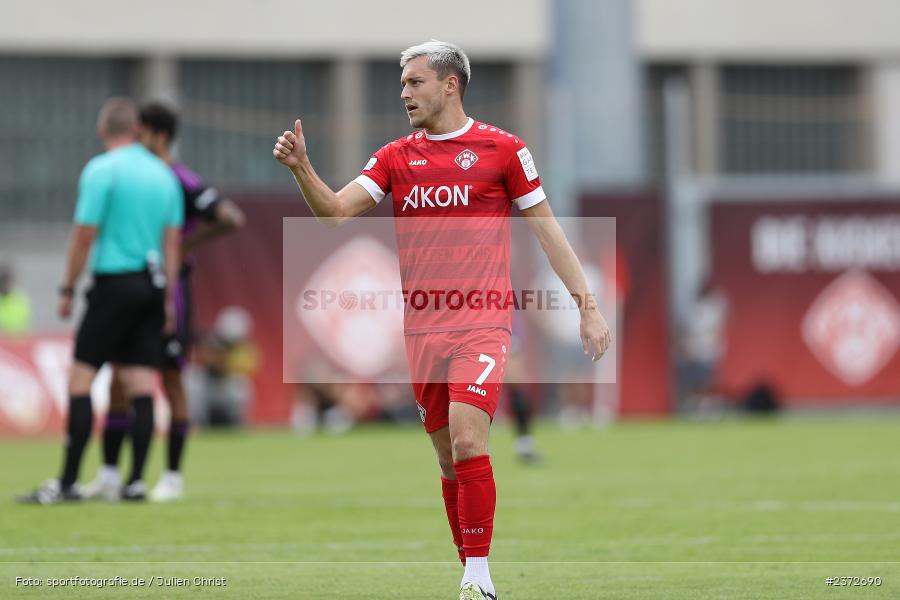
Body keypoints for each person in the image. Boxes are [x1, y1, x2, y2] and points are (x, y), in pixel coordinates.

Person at [273, 40, 611, 600]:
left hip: (484, 322)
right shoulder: (394, 157)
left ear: (450, 84)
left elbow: (549, 232)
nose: (404, 93)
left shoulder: (504, 150)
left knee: (468, 440)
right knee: (449, 459)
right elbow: (333, 212)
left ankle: (479, 576)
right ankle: (469, 572)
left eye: (415, 82)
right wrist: (301, 168)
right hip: (423, 329)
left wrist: (588, 307)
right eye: (402, 84)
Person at [17, 97, 183, 504]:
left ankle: (69, 481)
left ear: (101, 131)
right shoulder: (164, 175)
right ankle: (135, 482)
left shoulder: (102, 170)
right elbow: (172, 242)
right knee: (141, 383)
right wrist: (167, 299)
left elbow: (85, 234)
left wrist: (68, 287)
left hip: (114, 283)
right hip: (152, 285)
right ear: (138, 130)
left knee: (81, 379)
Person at [82, 101, 246, 502]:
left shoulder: (179, 178)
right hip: (135, 286)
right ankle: (110, 474)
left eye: (141, 132)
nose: (135, 139)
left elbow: (230, 217)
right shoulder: (138, 174)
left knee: (172, 378)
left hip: (171, 292)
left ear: (157, 135)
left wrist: (186, 245)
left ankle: (172, 476)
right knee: (120, 378)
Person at [0, 263, 31, 336]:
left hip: (16, 339)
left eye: (7, 280)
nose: (5, 284)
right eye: (3, 280)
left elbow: (24, 324)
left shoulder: (20, 298)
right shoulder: (20, 297)